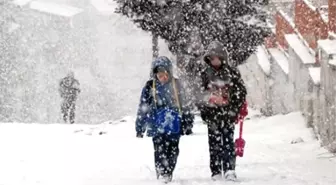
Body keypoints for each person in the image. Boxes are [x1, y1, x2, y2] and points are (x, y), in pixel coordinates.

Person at [135, 56, 194, 183]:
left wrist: (188, 123)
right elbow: (143, 107)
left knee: (173, 150)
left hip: (174, 125)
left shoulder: (177, 85)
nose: (163, 78)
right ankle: (161, 171)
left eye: (165, 75)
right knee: (159, 149)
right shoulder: (150, 87)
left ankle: (168, 171)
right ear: (155, 75)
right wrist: (140, 126)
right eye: (160, 75)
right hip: (156, 125)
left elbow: (186, 105)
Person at [196, 41, 247, 181]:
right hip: (212, 115)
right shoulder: (205, 74)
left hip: (228, 115)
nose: (214, 61)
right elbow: (199, 94)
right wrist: (206, 105)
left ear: (222, 57)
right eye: (211, 58)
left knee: (228, 142)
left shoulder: (232, 72)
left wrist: (233, 107)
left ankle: (230, 168)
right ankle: (216, 170)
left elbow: (241, 92)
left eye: (217, 57)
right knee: (214, 144)